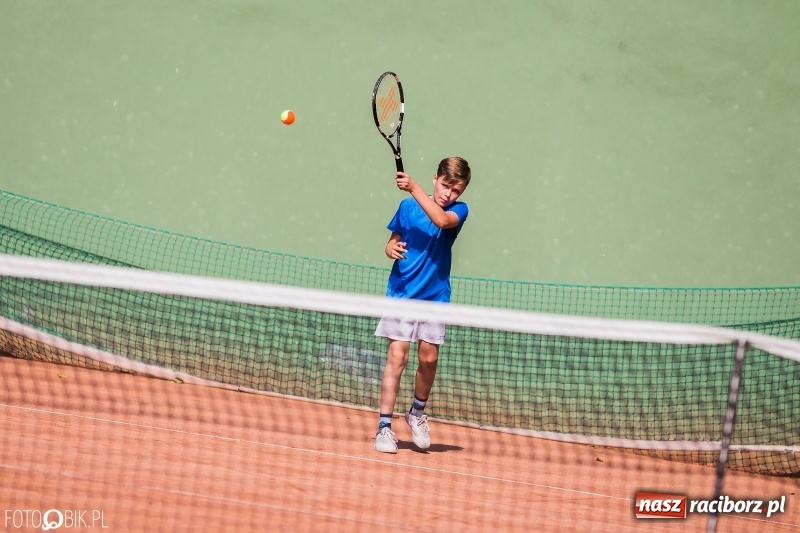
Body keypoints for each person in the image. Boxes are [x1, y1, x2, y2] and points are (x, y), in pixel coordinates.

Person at [373, 156, 471, 453]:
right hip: (402, 293)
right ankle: (384, 427)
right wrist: (390, 248)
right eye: (445, 187)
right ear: (436, 178)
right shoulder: (407, 207)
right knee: (397, 358)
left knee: (428, 361)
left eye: (456, 191)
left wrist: (413, 186)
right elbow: (392, 240)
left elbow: (440, 220)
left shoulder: (459, 211)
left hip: (434, 298)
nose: (449, 195)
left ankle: (416, 413)